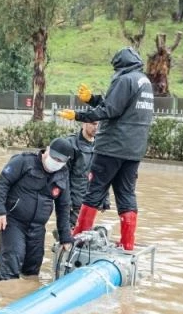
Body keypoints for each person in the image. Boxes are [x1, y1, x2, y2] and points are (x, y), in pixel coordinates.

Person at [58, 47, 154, 250]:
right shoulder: (143, 82)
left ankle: (78, 238)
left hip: (111, 147)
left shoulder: (124, 79)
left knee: (94, 190)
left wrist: (78, 115)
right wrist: (92, 99)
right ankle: (127, 244)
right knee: (126, 194)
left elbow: (109, 110)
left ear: (120, 66)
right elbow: (118, 107)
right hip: (134, 150)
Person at [0, 137, 73, 281]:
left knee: (33, 268)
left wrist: (65, 237)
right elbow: (3, 183)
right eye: (54, 158)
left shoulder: (63, 173)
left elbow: (64, 206)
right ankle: (7, 294)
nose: (56, 163)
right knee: (13, 257)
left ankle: (26, 293)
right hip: (13, 221)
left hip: (38, 227)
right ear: (47, 150)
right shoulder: (23, 161)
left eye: (61, 161)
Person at [61, 121, 100, 227]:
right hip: (73, 204)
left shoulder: (100, 145)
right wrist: (66, 201)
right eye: (93, 123)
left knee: (86, 236)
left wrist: (104, 200)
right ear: (84, 123)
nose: (96, 127)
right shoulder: (71, 144)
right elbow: (62, 176)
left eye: (98, 124)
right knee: (68, 237)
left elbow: (102, 175)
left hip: (91, 203)